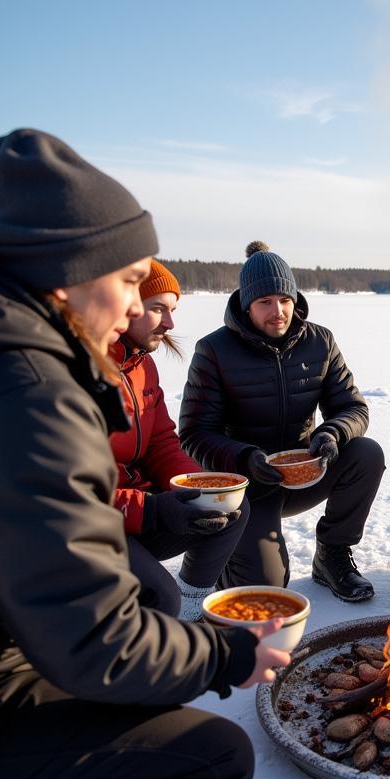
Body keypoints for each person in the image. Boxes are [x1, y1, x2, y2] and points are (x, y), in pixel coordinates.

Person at [0, 130, 289, 779]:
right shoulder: (23, 392)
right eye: (130, 281)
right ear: (65, 275)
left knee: (149, 647)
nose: (139, 308)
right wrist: (230, 650)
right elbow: (97, 642)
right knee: (214, 760)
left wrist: (173, 500)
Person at [178, 242, 385, 602]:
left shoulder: (320, 342)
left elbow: (353, 408)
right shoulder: (214, 351)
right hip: (245, 485)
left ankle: (332, 554)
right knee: (268, 588)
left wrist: (331, 434)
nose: (278, 311)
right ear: (246, 304)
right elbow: (195, 434)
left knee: (365, 453)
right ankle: (227, 554)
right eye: (265, 302)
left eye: (285, 300)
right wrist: (244, 458)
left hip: (302, 473)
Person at [109, 259, 248, 620]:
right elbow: (68, 492)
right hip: (97, 521)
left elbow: (161, 443)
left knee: (228, 507)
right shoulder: (78, 373)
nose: (170, 323)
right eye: (159, 309)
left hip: (139, 506)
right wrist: (153, 511)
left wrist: (198, 491)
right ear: (124, 304)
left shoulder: (141, 365)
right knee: (157, 594)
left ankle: (189, 616)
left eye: (172, 310)